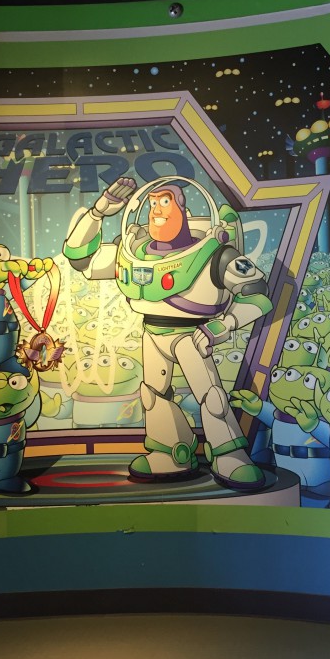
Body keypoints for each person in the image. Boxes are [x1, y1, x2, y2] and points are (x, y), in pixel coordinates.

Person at [63, 176, 271, 490]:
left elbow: (257, 293)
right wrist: (99, 212)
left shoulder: (214, 253)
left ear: (183, 210)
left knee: (211, 396)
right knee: (154, 395)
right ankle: (171, 451)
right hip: (153, 333)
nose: (156, 210)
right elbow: (80, 258)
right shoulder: (134, 250)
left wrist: (224, 324)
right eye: (152, 203)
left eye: (165, 201)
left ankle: (230, 455)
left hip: (192, 335)